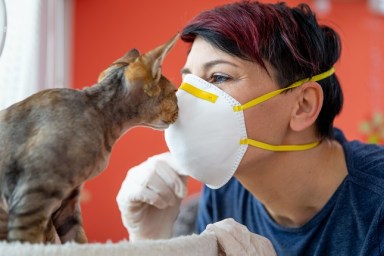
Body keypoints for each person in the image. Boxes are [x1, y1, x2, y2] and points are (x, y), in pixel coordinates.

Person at [116, 1, 384, 255]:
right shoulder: (224, 190)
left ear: (302, 105)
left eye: (219, 77)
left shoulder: (376, 206)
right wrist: (152, 243)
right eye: (188, 82)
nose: (182, 102)